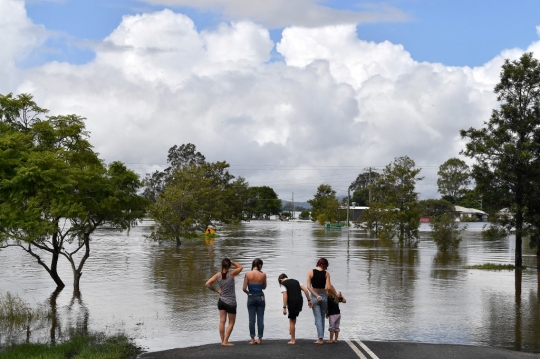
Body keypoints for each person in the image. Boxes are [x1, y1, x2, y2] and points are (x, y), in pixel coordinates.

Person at [205, 258, 243, 346]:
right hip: (231, 302)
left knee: (222, 321)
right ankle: (225, 341)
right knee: (231, 322)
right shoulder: (232, 274)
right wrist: (232, 262)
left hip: (221, 301)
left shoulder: (217, 275)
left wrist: (217, 290)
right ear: (229, 265)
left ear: (221, 265)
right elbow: (240, 267)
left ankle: (223, 341)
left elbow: (207, 284)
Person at [306, 257, 337, 344]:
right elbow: (329, 287)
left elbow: (308, 287)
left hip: (314, 294)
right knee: (322, 317)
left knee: (317, 317)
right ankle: (321, 337)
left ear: (318, 264)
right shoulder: (326, 274)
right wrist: (336, 295)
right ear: (325, 265)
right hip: (324, 295)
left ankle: (320, 338)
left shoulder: (310, 272)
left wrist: (316, 295)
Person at [278, 273, 312, 345]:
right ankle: (291, 329)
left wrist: (284, 307)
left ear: (281, 280)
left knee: (291, 320)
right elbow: (305, 290)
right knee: (293, 317)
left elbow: (285, 296)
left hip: (292, 302)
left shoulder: (283, 284)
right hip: (300, 301)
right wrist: (309, 300)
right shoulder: (296, 281)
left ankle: (293, 340)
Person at [242, 258, 267, 344]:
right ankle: (259, 339)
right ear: (260, 265)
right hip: (260, 296)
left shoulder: (247, 274)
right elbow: (264, 287)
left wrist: (249, 293)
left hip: (251, 295)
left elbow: (244, 288)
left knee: (251, 319)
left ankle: (252, 339)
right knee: (260, 318)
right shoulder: (263, 274)